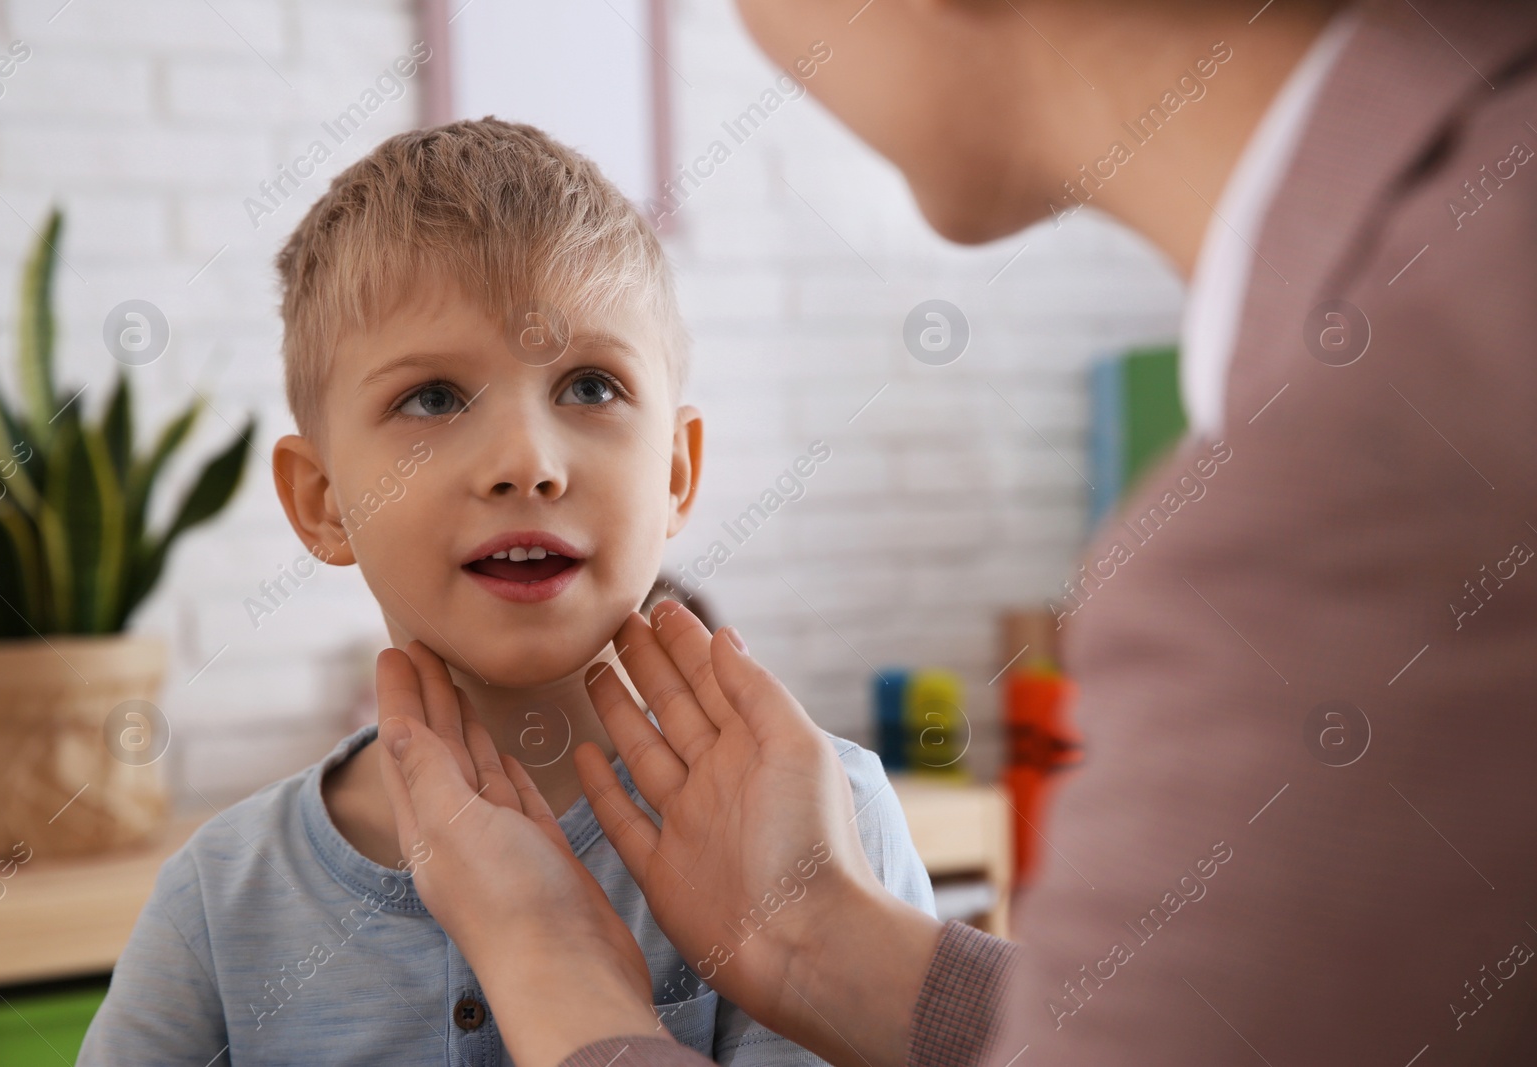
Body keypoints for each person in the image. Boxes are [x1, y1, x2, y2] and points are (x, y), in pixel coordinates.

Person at [376, 0, 1537, 1064]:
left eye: (589, 386)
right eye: (430, 397)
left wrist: (550, 965)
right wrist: (825, 941)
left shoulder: (1343, 512)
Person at [75, 118, 936, 1066]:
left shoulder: (824, 833)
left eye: (591, 386)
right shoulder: (218, 900)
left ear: (678, 474)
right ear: (322, 503)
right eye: (434, 398)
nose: (527, 462)